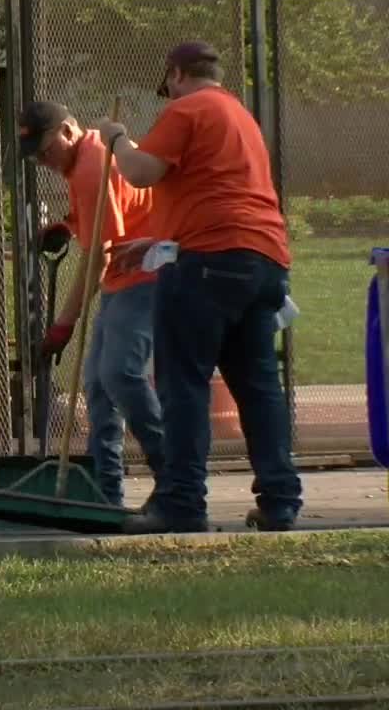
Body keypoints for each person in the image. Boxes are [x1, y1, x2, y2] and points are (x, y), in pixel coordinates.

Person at [97, 41, 301, 533]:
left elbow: (141, 172)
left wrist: (117, 139)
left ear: (176, 74)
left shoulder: (186, 108)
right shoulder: (239, 116)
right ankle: (280, 499)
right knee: (258, 387)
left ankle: (182, 501)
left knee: (183, 384)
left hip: (205, 265)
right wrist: (156, 240)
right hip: (262, 260)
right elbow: (219, 193)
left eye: (166, 84)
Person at [18, 102, 164, 507]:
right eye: (35, 155)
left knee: (121, 375)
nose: (43, 161)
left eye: (45, 150)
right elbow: (108, 217)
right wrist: (67, 225)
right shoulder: (86, 155)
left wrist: (64, 323)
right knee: (99, 386)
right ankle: (107, 494)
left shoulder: (89, 167)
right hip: (125, 277)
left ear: (67, 130)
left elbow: (100, 254)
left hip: (145, 276)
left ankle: (174, 476)